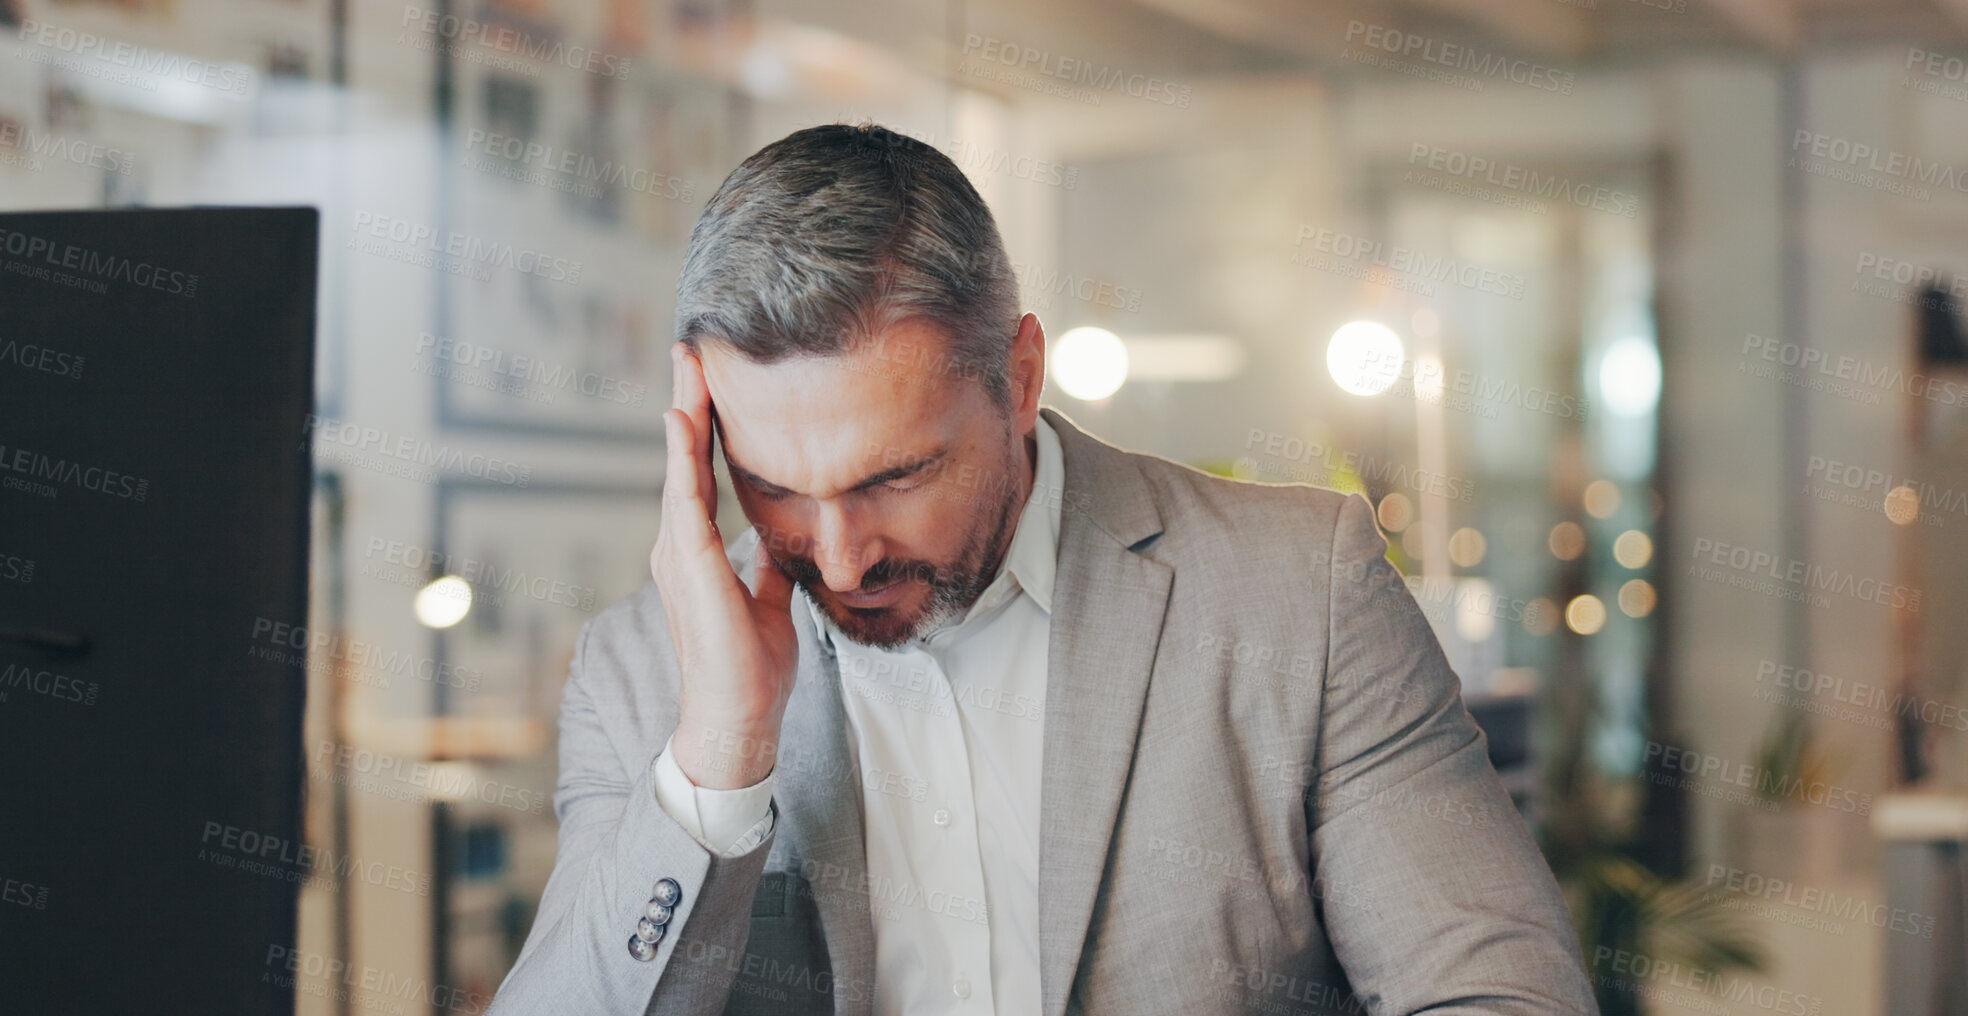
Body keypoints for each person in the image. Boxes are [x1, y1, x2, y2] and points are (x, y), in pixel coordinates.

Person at [488, 122, 1596, 1016]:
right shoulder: (640, 674)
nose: (839, 554)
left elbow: (1499, 991)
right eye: (772, 483)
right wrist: (722, 753)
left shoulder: (1301, 592)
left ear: (1018, 378)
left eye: (895, 475)